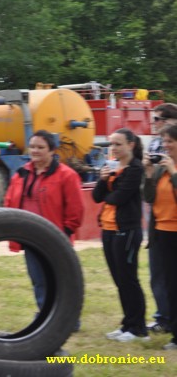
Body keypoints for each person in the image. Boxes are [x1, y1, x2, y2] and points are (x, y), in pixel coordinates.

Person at [4, 130, 84, 313]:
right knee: (38, 280)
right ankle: (45, 317)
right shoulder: (21, 174)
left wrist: (65, 232)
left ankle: (68, 319)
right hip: (30, 237)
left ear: (52, 151)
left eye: (41, 147)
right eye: (32, 147)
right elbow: (9, 202)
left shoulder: (67, 175)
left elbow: (76, 209)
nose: (35, 151)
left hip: (56, 237)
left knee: (59, 280)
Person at [92, 128, 148, 342]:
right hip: (108, 230)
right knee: (119, 280)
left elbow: (119, 198)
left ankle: (139, 329)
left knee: (129, 279)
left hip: (126, 230)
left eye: (118, 144)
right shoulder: (111, 168)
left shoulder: (135, 169)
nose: (113, 148)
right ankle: (127, 324)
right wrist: (103, 180)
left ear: (131, 145)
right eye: (111, 144)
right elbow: (98, 197)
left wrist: (108, 186)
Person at [143, 124, 177, 350]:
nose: (165, 146)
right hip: (163, 232)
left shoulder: (171, 169)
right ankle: (175, 331)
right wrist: (148, 175)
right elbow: (148, 198)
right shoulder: (161, 169)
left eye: (170, 142)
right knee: (171, 285)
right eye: (164, 142)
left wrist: (174, 172)